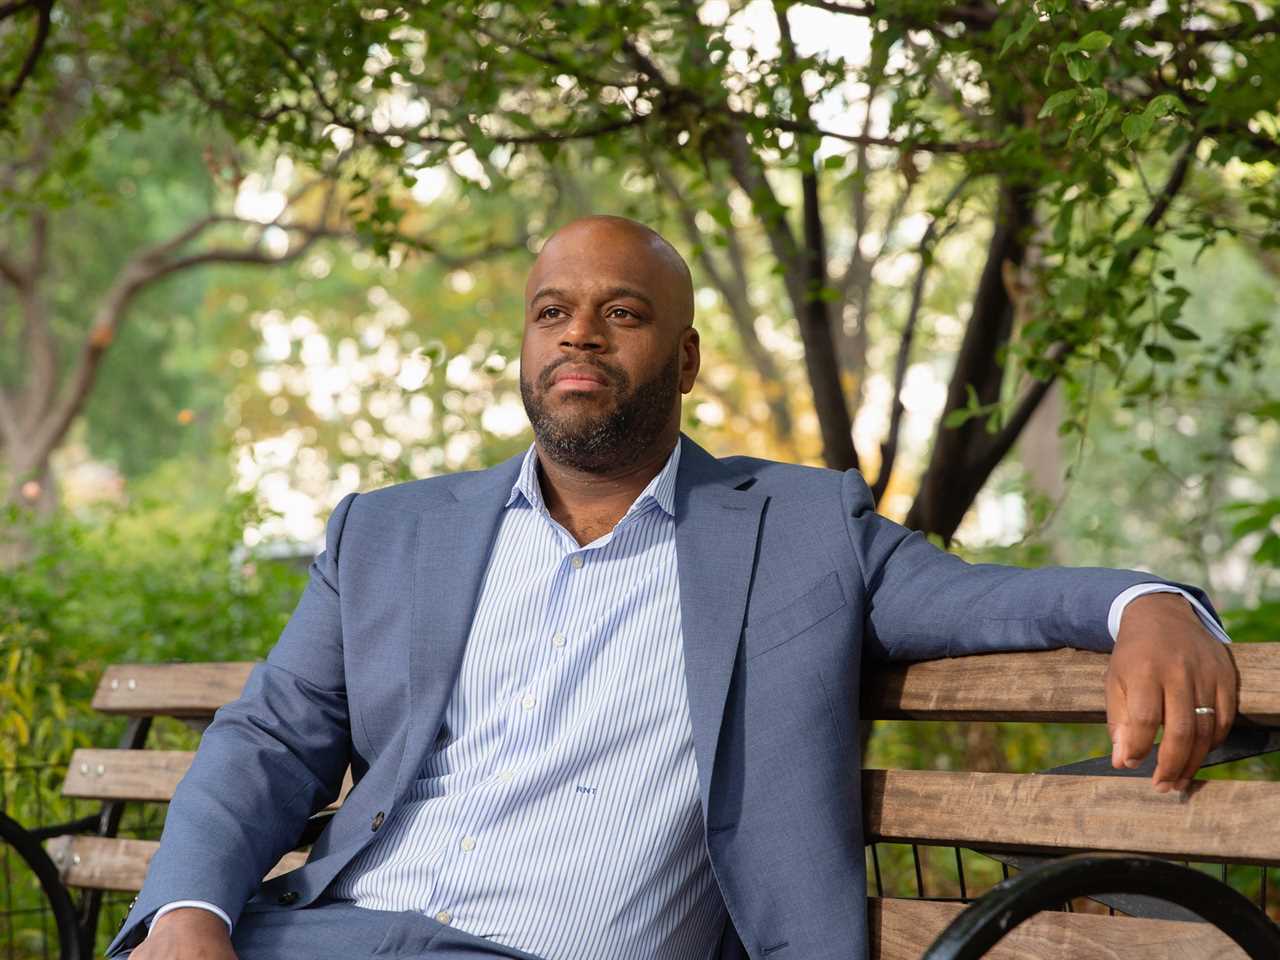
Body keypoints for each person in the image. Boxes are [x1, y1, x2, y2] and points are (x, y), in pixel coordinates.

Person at [112, 216, 1237, 960]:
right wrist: (191, 914)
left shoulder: (799, 530)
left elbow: (982, 599)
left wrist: (1147, 605)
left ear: (686, 359)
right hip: (314, 936)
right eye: (551, 310)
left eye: (622, 312)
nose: (578, 336)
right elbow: (267, 738)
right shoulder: (389, 531)